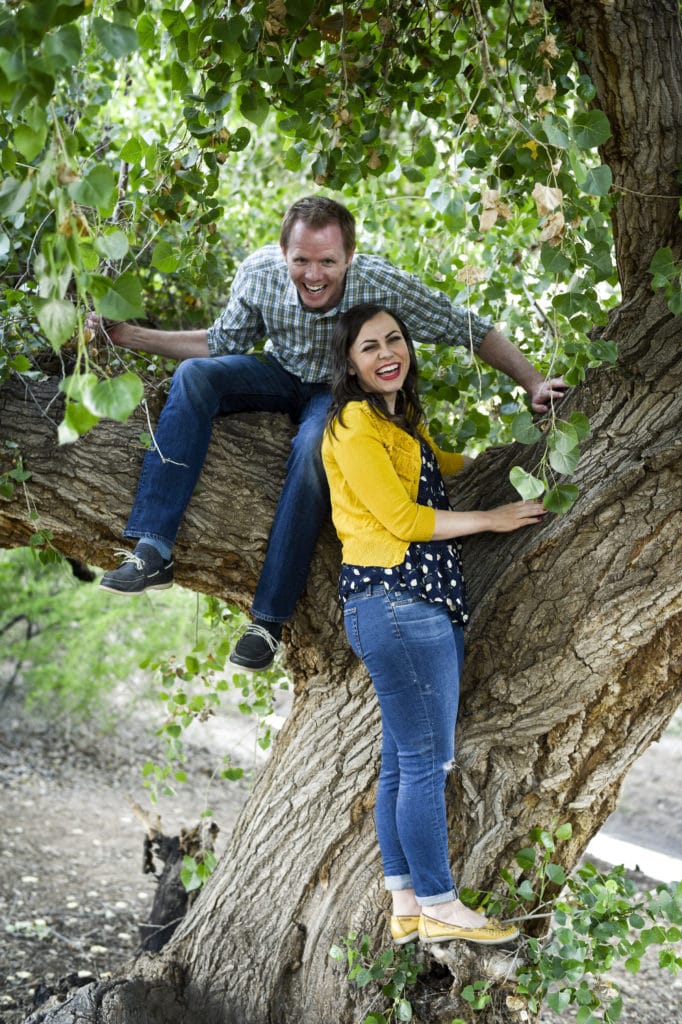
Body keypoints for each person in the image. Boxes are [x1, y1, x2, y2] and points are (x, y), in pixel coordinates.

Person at [91, 196, 566, 673]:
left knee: (314, 449)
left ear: (350, 257)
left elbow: (469, 327)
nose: (313, 275)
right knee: (195, 375)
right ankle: (153, 549)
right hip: (277, 372)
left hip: (335, 393)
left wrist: (533, 382)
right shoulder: (259, 274)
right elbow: (220, 343)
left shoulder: (380, 284)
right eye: (301, 260)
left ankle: (267, 621)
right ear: (283, 254)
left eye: (327, 262)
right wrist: (128, 335)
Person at [321, 302, 547, 945]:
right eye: (369, 346)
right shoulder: (352, 426)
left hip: (417, 603)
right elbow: (403, 519)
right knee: (425, 765)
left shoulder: (401, 425)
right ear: (348, 362)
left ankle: (406, 902)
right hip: (396, 602)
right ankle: (442, 904)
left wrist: (511, 445)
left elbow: (447, 469)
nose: (387, 352)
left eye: (395, 339)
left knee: (401, 764)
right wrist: (494, 520)